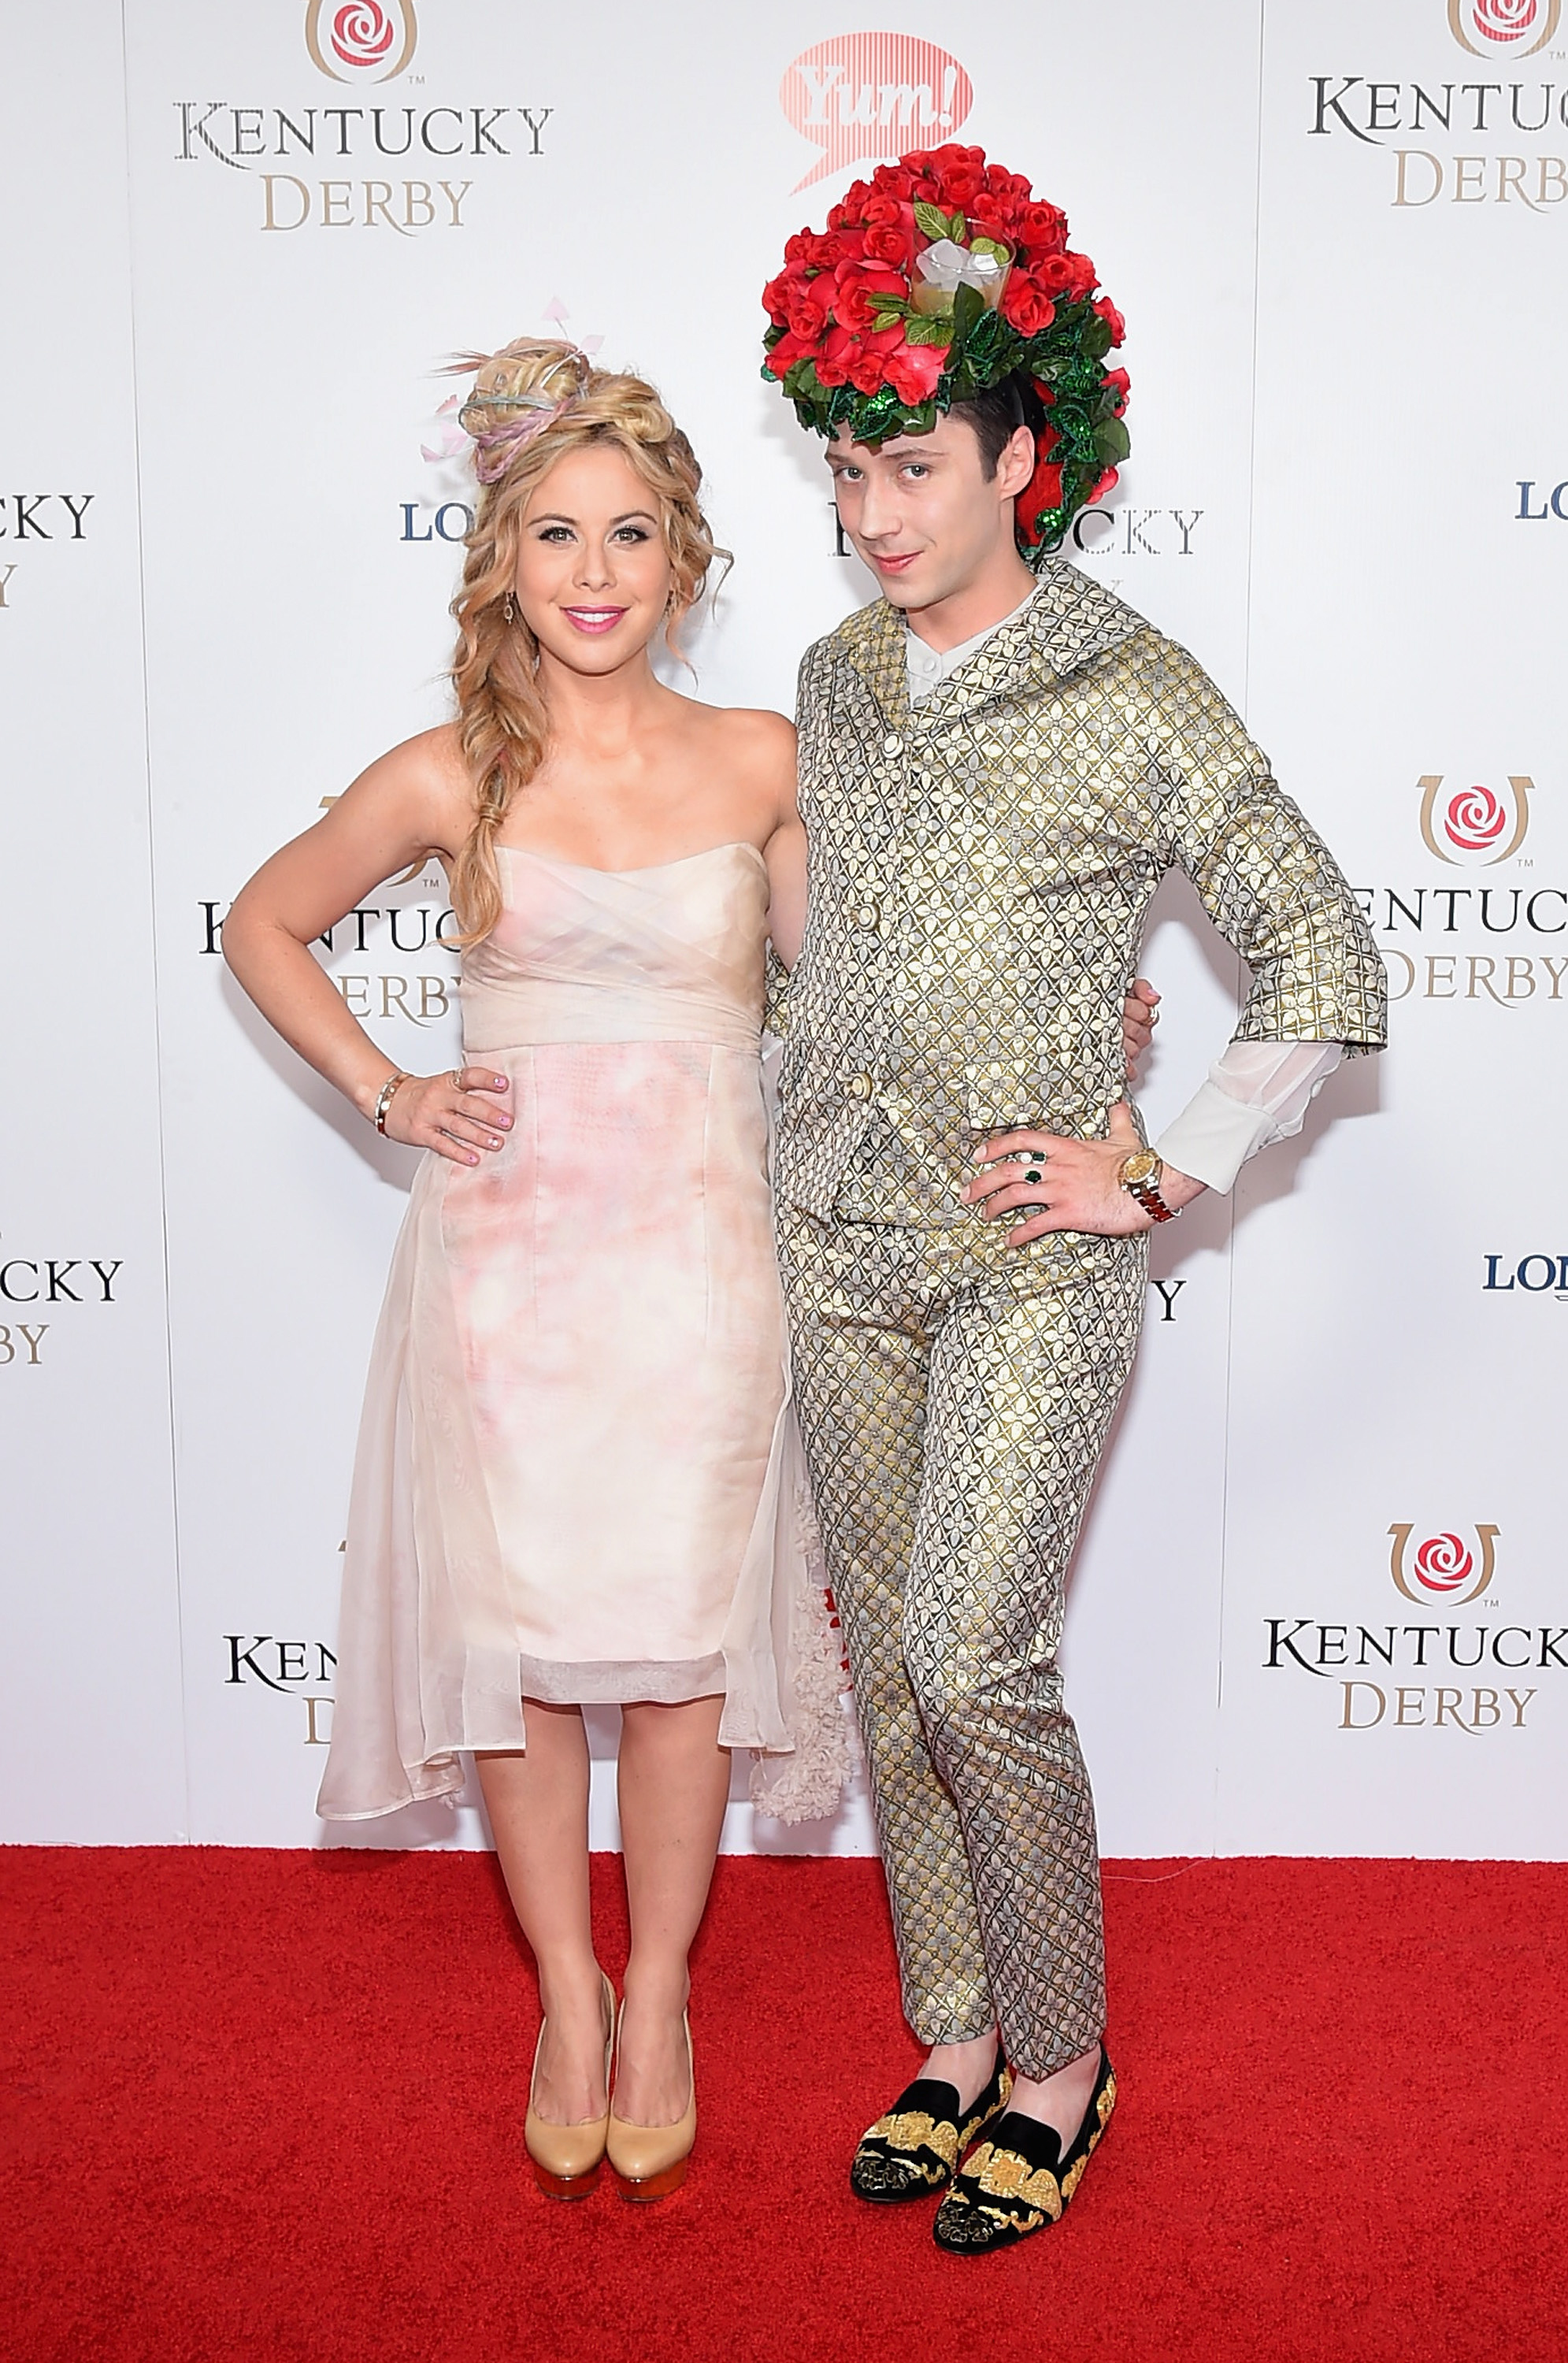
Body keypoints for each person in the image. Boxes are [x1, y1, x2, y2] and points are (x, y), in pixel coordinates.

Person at [761, 147, 1388, 2254]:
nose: (873, 515)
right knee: (887, 1663)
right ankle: (952, 2036)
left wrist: (1162, 1161)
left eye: (914, 468)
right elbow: (841, 948)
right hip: (837, 1232)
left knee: (974, 1660)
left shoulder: (1135, 684)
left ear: (1024, 458)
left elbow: (1322, 949)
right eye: (849, 471)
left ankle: (1059, 2065)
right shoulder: (835, 684)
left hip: (1032, 1250)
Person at [221, 341, 848, 2207]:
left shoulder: (765, 760)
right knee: (525, 1656)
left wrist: (1054, 1030)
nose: (593, 570)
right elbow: (264, 922)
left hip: (706, 1255)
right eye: (556, 533)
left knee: (681, 1655)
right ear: (502, 557)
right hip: (514, 1267)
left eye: (629, 533)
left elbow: (847, 1004)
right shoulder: (449, 772)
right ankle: (566, 1994)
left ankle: (659, 1997)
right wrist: (390, 1089)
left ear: (684, 559)